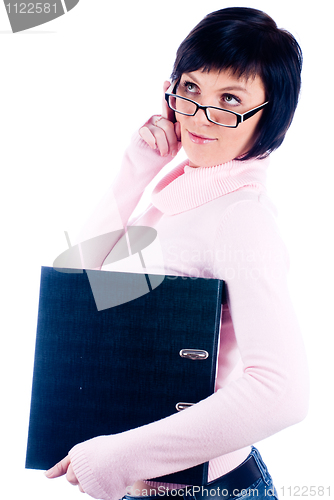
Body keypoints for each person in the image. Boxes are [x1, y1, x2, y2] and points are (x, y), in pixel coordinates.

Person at [45, 7, 309, 500]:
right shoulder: (184, 186)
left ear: (270, 114)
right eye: (189, 89)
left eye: (229, 98)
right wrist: (137, 168)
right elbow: (76, 288)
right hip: (153, 483)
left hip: (208, 490)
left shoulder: (241, 217)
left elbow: (283, 391)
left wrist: (120, 456)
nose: (199, 116)